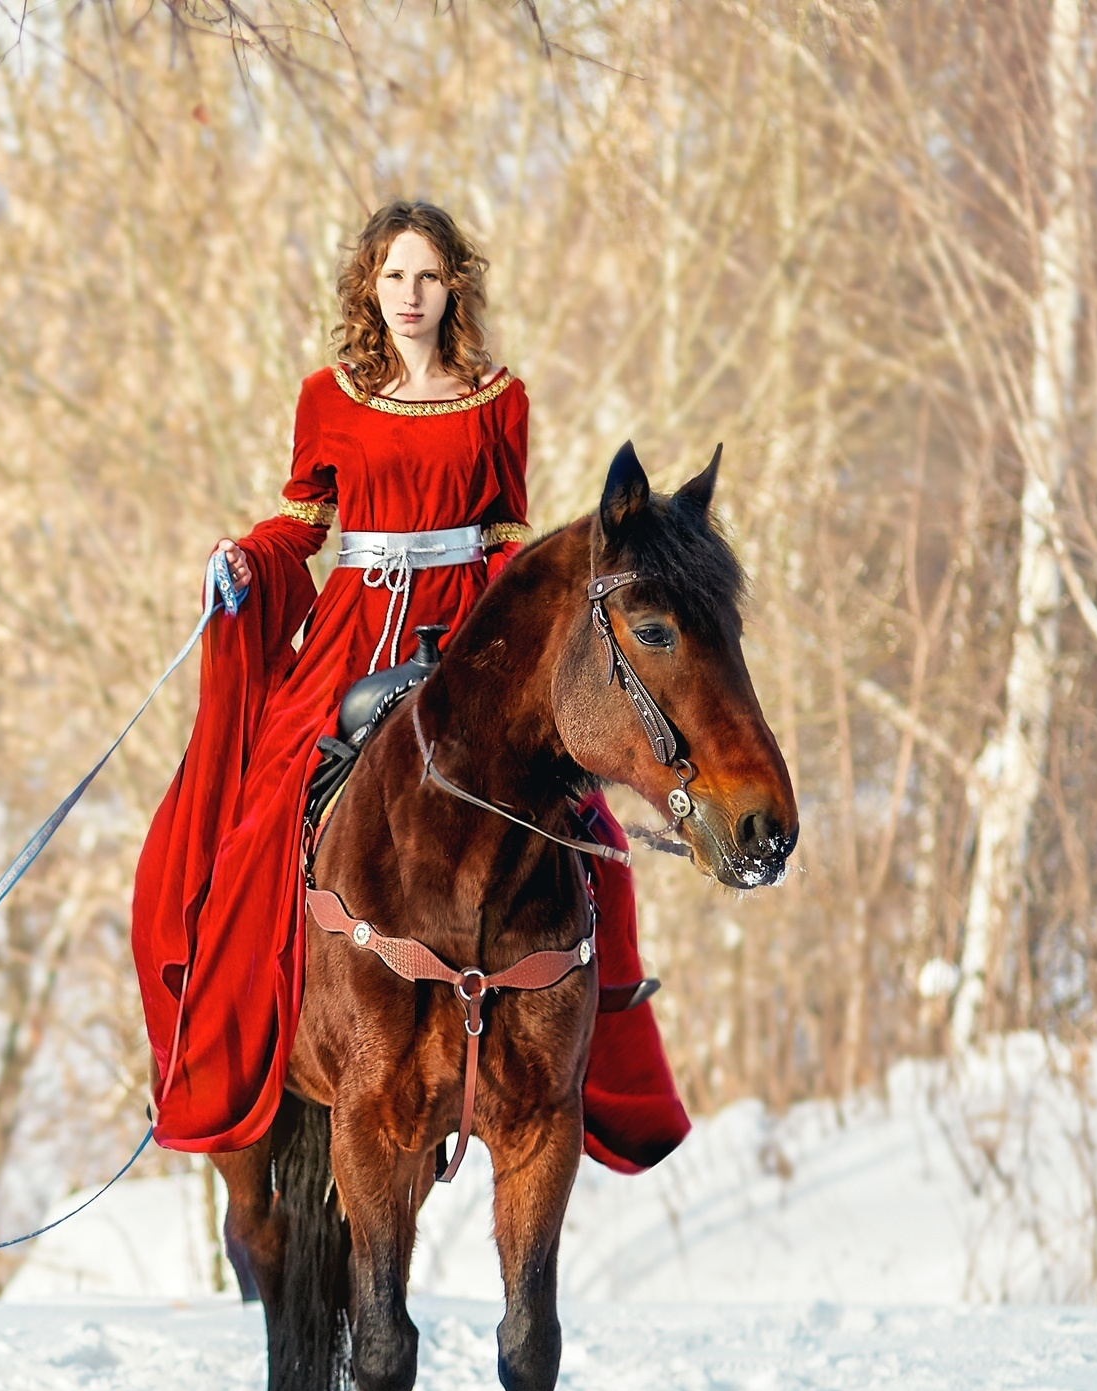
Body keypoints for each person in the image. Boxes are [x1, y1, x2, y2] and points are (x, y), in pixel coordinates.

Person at [131, 198, 688, 1171]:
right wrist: (244, 562)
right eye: (393, 276)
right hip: (349, 625)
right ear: (369, 286)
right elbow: (303, 524)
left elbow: (509, 536)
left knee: (589, 832)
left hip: (466, 627)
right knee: (259, 823)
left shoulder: (497, 398)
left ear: (453, 287)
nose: (410, 295)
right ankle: (253, 1044)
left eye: (427, 276)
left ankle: (594, 1029)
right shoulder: (328, 394)